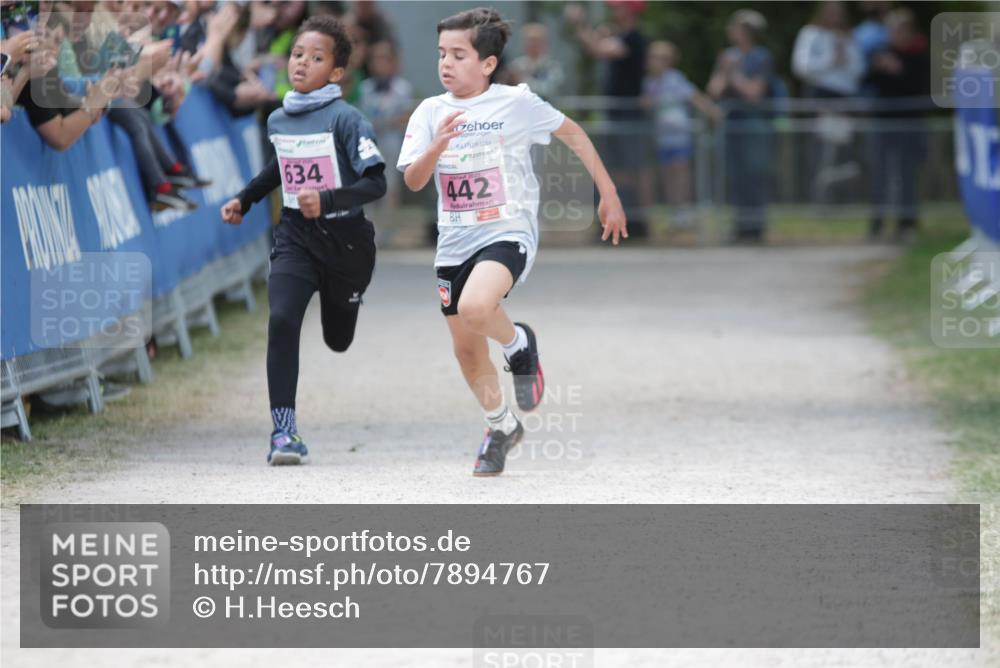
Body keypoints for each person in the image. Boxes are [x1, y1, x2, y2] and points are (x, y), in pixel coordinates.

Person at [397, 7, 627, 477]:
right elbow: (415, 182)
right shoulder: (429, 112)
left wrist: (609, 193)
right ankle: (500, 427)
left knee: (477, 307)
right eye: (442, 53)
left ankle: (520, 344)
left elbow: (574, 134)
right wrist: (436, 146)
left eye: (459, 55)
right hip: (454, 242)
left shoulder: (516, 103)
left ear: (487, 63)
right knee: (466, 349)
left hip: (506, 230)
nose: (446, 63)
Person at [220, 14, 387, 466]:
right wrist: (245, 198)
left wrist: (329, 200)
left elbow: (376, 184)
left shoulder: (347, 119)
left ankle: (347, 301)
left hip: (347, 243)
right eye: (297, 54)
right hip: (295, 235)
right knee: (282, 320)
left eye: (315, 58)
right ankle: (283, 432)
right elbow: (281, 165)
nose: (301, 63)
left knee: (338, 339)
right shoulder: (278, 117)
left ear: (336, 72)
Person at [564, 0, 647, 237]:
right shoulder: (619, 35)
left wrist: (581, 23)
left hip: (628, 114)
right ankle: (618, 221)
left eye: (619, 7)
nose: (614, 12)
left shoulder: (633, 38)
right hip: (617, 113)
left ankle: (635, 222)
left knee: (629, 169)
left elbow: (599, 49)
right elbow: (596, 46)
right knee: (617, 167)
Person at [707, 9, 774, 243]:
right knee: (735, 176)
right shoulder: (728, 56)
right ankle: (740, 226)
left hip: (752, 124)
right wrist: (726, 70)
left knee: (754, 175)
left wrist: (733, 73)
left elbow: (754, 93)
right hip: (731, 125)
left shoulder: (760, 57)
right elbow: (714, 90)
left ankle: (756, 227)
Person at [866, 8, 930, 242]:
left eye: (899, 29)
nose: (895, 34)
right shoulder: (881, 52)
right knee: (879, 174)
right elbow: (866, 81)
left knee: (906, 175)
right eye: (891, 29)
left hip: (909, 123)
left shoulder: (918, 54)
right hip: (883, 122)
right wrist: (878, 68)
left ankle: (907, 223)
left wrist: (899, 70)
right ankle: (876, 223)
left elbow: (921, 87)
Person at [641, 40, 719, 229]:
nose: (652, 62)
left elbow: (693, 96)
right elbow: (647, 104)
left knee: (681, 174)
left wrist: (711, 111)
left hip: (679, 136)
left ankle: (683, 211)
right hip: (662, 137)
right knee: (668, 176)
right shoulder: (649, 82)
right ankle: (674, 212)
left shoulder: (675, 79)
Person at [359, 39, 411, 234]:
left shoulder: (401, 88)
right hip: (370, 145)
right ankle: (368, 228)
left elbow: (406, 116)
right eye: (376, 59)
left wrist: (391, 121)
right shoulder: (365, 87)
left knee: (390, 188)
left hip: (392, 144)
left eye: (384, 59)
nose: (380, 63)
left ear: (393, 62)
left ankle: (387, 231)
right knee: (368, 186)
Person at [508, 22, 563, 101]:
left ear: (544, 43)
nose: (531, 44)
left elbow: (546, 91)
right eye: (528, 40)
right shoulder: (516, 65)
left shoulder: (552, 67)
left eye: (535, 40)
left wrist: (521, 80)